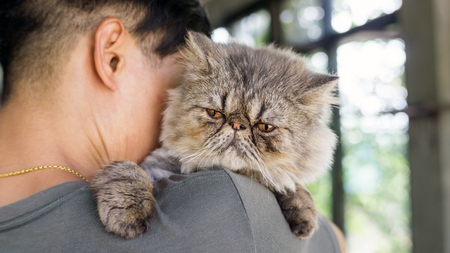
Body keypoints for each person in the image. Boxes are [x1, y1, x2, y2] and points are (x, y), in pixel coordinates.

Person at [0, 0, 346, 252]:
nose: (174, 100)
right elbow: (336, 243)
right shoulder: (227, 205)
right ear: (111, 57)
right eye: (177, 79)